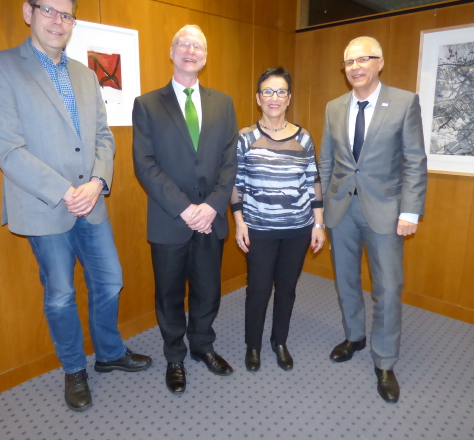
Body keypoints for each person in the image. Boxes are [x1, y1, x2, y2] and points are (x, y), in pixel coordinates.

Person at [0, 0, 152, 413]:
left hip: (92, 202)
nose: (58, 21)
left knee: (109, 281)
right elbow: (7, 147)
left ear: (74, 22)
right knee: (59, 294)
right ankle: (74, 369)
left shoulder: (85, 74)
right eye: (48, 10)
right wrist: (65, 191)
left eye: (66, 14)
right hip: (44, 207)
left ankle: (109, 355)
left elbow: (103, 138)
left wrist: (96, 182)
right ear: (28, 12)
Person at [319, 36, 427, 403]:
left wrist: (410, 210)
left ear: (380, 62)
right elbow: (326, 161)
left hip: (386, 211)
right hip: (340, 210)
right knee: (346, 281)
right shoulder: (334, 107)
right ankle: (355, 337)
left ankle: (384, 360)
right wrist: (322, 210)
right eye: (349, 62)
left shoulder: (403, 101)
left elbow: (415, 160)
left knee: (388, 288)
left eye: (364, 59)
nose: (356, 67)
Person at [132, 25, 238, 395]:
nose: (191, 51)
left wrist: (211, 206)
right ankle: (175, 356)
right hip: (169, 220)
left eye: (199, 46)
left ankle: (203, 346)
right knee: (170, 294)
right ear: (172, 51)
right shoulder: (147, 104)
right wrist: (186, 209)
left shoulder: (223, 104)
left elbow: (230, 161)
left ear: (205, 57)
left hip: (211, 219)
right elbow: (144, 165)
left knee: (208, 289)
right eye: (184, 44)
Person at [230, 67, 325, 373]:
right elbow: (236, 184)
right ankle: (253, 345)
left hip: (297, 228)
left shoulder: (304, 137)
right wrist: (239, 221)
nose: (274, 98)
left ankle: (279, 341)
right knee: (258, 288)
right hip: (259, 228)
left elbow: (314, 181)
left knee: (287, 288)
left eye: (281, 91)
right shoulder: (245, 137)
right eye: (268, 92)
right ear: (258, 98)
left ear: (289, 98)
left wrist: (318, 223)